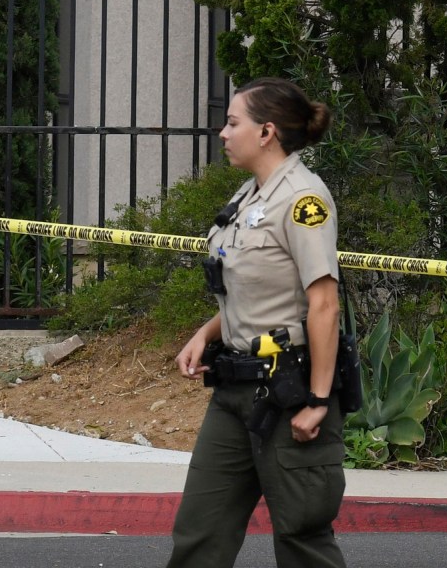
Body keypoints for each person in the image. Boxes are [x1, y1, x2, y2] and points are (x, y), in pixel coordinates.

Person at [167, 77, 348, 568]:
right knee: (199, 533)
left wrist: (317, 400)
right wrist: (205, 334)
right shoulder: (251, 194)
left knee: (301, 537)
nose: (223, 133)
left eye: (232, 123)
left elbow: (324, 305)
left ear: (266, 132)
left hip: (289, 392)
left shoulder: (305, 200)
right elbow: (254, 291)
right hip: (234, 390)